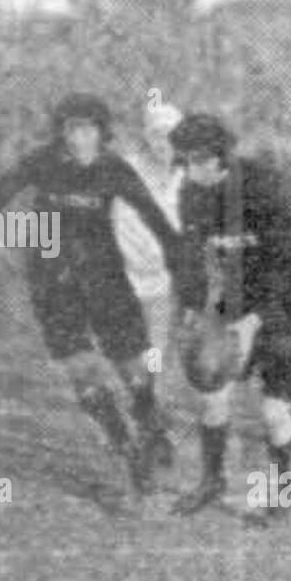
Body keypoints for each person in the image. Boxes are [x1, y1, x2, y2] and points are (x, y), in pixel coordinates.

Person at [0, 93, 181, 498]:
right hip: (53, 278)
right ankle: (125, 445)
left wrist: (183, 264)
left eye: (89, 129)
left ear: (102, 133)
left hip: (105, 276)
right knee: (81, 369)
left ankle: (150, 422)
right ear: (62, 133)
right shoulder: (41, 162)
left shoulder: (113, 168)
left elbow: (158, 223)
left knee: (133, 370)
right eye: (72, 130)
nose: (80, 138)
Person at [168, 114, 291, 517]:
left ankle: (282, 495)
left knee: (273, 410)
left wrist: (257, 320)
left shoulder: (265, 187)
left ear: (217, 156)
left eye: (194, 160)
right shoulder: (192, 193)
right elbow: (189, 255)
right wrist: (190, 306)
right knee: (211, 395)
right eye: (182, 161)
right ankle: (212, 480)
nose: (187, 170)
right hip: (241, 296)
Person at [112, 100, 185, 463]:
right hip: (120, 285)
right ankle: (151, 423)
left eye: (172, 136)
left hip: (159, 288)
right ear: (146, 137)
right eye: (157, 135)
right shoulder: (124, 170)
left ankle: (153, 431)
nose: (164, 143)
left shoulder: (187, 179)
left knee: (153, 362)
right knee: (130, 365)